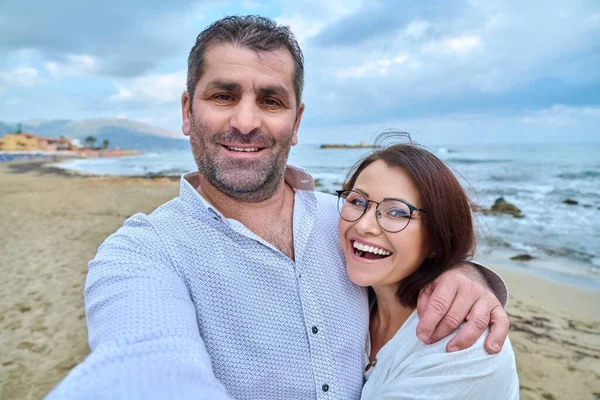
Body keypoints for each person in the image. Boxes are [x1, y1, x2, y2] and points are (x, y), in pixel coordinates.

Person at [47, 16, 510, 400]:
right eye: (223, 96)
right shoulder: (144, 254)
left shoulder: (347, 225)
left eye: (271, 100)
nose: (246, 122)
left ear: (296, 122)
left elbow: (409, 272)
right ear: (187, 111)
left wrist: (466, 275)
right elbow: (144, 362)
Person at [336, 136, 519, 399]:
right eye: (357, 201)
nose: (364, 225)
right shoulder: (351, 296)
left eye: (397, 212)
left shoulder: (465, 347)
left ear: (437, 235)